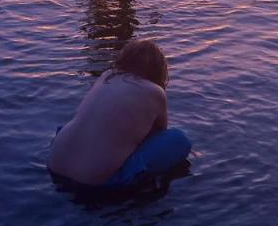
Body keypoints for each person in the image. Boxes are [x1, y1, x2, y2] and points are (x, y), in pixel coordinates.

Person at [48, 39, 192, 190]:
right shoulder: (156, 92)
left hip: (55, 163)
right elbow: (159, 133)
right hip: (93, 182)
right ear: (158, 70)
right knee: (179, 140)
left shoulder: (107, 76)